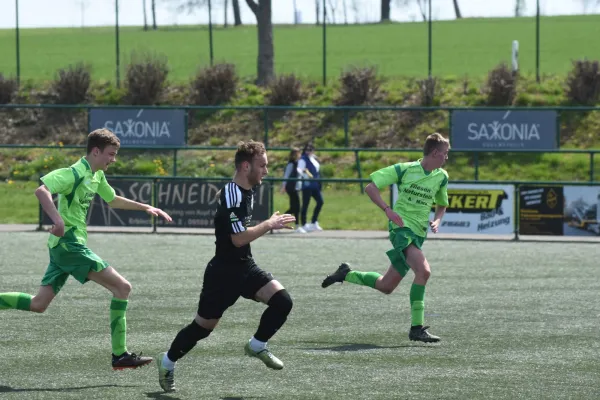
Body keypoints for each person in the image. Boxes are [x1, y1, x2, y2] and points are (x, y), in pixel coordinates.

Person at [0, 128, 173, 370]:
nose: (113, 159)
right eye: (110, 154)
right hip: (69, 245)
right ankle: (120, 355)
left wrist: (145, 207)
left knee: (39, 304)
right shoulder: (75, 173)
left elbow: (112, 200)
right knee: (122, 287)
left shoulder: (96, 175)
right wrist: (58, 220)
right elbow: (42, 190)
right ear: (95, 151)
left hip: (65, 248)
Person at [157, 140, 296, 393]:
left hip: (245, 267)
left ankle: (257, 345)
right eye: (262, 165)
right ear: (246, 166)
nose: (266, 170)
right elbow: (238, 238)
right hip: (222, 274)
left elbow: (230, 205)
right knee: (202, 329)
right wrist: (269, 224)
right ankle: (167, 361)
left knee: (283, 301)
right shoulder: (235, 194)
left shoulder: (244, 188)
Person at [321, 133, 450, 343]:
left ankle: (346, 274)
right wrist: (387, 210)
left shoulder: (442, 176)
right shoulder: (405, 169)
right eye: (445, 154)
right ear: (435, 152)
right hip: (401, 229)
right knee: (424, 271)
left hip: (418, 234)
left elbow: (442, 203)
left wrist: (437, 220)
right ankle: (416, 328)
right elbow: (370, 187)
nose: (446, 158)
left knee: (386, 286)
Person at [298, 143, 324, 232]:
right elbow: (300, 170)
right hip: (307, 185)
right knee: (305, 204)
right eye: (307, 150)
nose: (308, 151)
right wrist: (304, 174)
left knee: (320, 202)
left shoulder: (314, 158)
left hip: (315, 185)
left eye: (310, 150)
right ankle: (304, 224)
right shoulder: (303, 159)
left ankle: (314, 222)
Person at [280, 147, 305, 233]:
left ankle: (279, 221)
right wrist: (283, 187)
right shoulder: (291, 164)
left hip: (296, 188)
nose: (300, 155)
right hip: (292, 188)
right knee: (297, 207)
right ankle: (297, 226)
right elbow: (286, 176)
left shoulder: (299, 164)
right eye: (298, 153)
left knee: (293, 208)